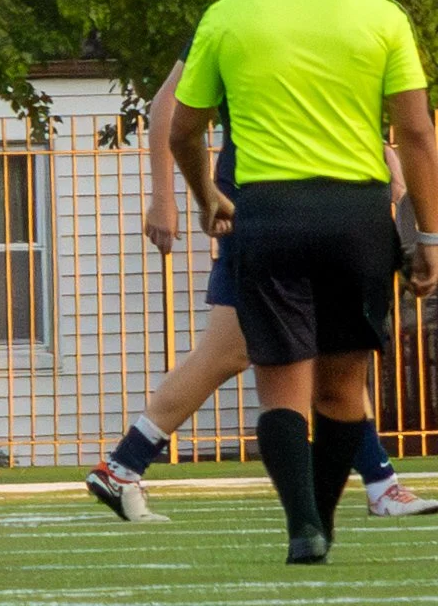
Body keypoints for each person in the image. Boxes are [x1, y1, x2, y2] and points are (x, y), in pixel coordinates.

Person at [169, 0, 438, 564]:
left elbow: (184, 131)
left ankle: (303, 527)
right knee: (344, 386)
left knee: (282, 384)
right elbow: (416, 135)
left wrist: (207, 200)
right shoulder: (382, 17)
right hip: (356, 215)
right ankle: (326, 518)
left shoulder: (228, 13)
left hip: (268, 212)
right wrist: (427, 235)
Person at [87, 50, 438, 521]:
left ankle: (381, 483)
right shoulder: (238, 17)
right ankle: (124, 464)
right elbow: (168, 107)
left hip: (315, 212)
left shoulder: (317, 18)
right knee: (231, 349)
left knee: (333, 345)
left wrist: (381, 158)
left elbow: (321, 113)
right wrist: (164, 196)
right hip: (256, 210)